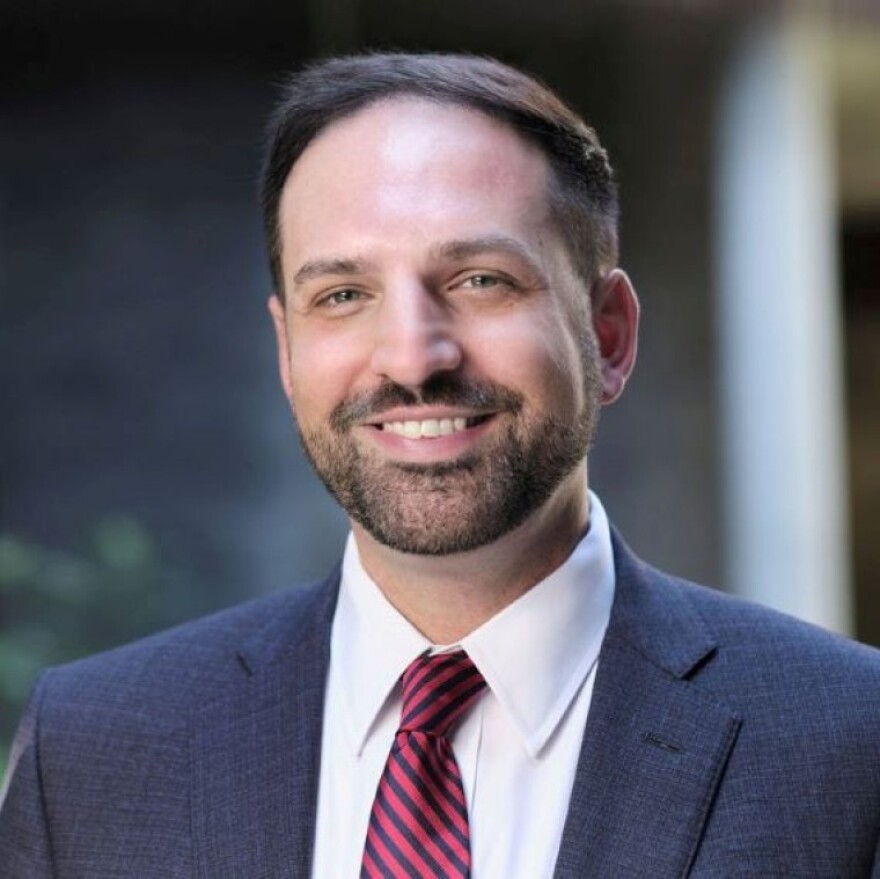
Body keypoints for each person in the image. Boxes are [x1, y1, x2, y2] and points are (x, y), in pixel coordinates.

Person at [1, 52, 878, 879]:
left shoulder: (849, 740)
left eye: (480, 280)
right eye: (343, 296)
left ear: (607, 335)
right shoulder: (96, 750)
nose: (412, 357)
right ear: (287, 352)